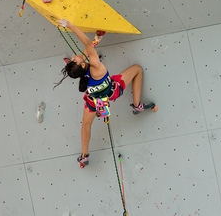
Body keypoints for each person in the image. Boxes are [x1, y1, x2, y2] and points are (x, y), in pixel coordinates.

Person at [54, 19, 157, 168]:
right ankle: (137, 106)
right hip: (111, 92)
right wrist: (70, 25)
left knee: (86, 126)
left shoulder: (80, 74)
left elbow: (85, 54)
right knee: (137, 69)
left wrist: (96, 40)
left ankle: (84, 156)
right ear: (82, 65)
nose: (73, 57)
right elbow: (87, 45)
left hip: (94, 101)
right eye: (73, 60)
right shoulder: (96, 66)